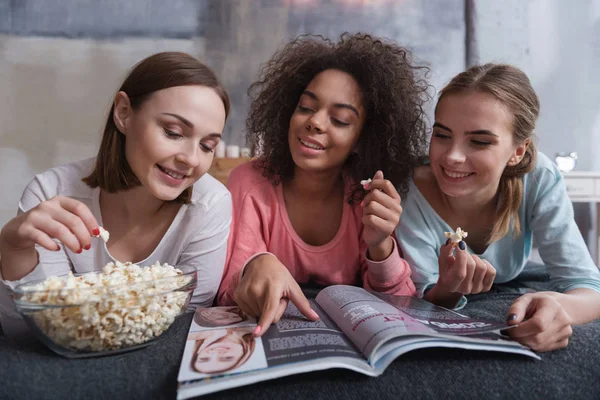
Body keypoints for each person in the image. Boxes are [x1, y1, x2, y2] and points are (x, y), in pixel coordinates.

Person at [0, 52, 232, 334]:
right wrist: (13, 252)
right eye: (173, 132)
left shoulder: (209, 204)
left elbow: (186, 329)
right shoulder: (50, 193)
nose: (192, 160)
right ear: (123, 113)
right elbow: (32, 333)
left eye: (207, 146)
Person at [218, 33, 430, 337]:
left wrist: (380, 245)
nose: (315, 122)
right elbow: (227, 292)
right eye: (305, 107)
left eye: (341, 119)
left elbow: (400, 304)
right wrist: (254, 267)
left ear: (361, 140)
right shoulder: (249, 182)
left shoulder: (367, 196)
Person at [396, 63, 600, 352]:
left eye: (479, 142)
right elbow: (422, 300)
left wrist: (558, 307)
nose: (452, 156)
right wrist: (448, 288)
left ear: (517, 152)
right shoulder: (407, 192)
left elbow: (586, 285)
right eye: (441, 135)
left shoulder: (539, 177)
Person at [188, 327, 256, 374]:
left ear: (198, 352)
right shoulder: (255, 329)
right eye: (227, 358)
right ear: (243, 354)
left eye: (204, 358)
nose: (215, 353)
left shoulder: (193, 334)